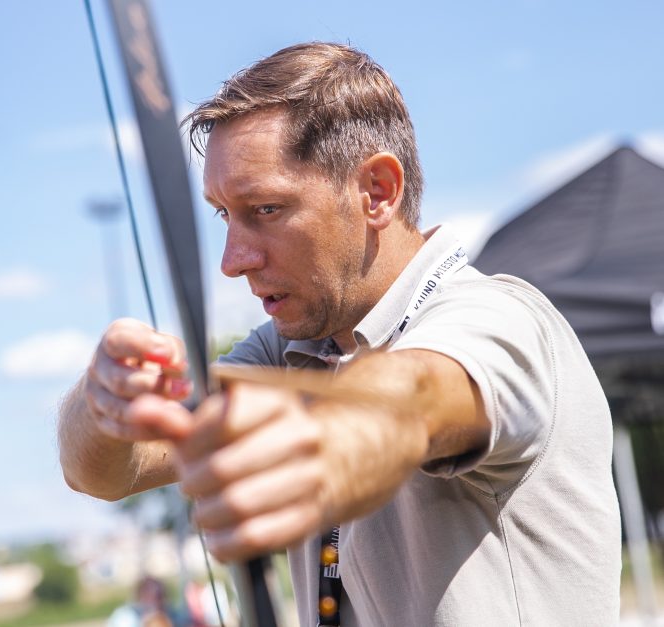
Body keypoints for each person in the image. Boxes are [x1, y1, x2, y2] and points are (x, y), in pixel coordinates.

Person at [59, 43, 620, 625]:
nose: (233, 259)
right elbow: (101, 474)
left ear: (376, 191)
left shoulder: (498, 314)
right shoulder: (292, 352)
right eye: (225, 214)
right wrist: (103, 406)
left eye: (267, 208)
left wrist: (329, 437)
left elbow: (418, 396)